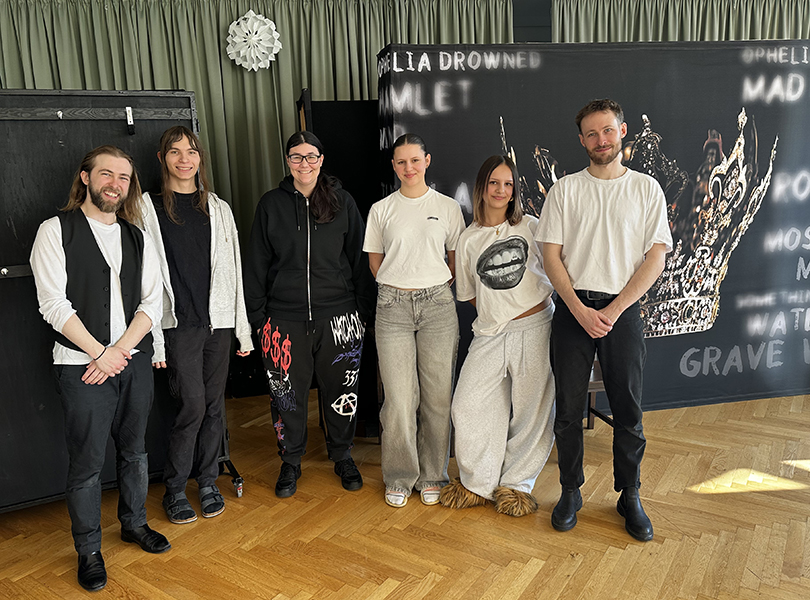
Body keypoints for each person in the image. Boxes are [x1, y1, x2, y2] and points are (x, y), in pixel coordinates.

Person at [30, 146, 170, 592]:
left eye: (124, 177)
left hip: (131, 361)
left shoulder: (137, 236)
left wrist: (120, 352)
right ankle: (89, 549)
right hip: (80, 366)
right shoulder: (55, 231)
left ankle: (133, 523)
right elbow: (52, 304)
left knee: (135, 451)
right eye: (106, 174)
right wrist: (98, 353)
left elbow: (153, 302)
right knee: (88, 464)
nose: (115, 183)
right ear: (86, 178)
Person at [536, 99, 673, 541]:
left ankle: (629, 494)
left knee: (629, 410)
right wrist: (578, 309)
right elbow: (550, 255)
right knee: (568, 411)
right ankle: (570, 491)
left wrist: (612, 311)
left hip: (623, 311)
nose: (601, 140)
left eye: (607, 131)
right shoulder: (565, 190)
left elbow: (656, 257)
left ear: (622, 131)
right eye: (592, 134)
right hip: (573, 313)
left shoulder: (646, 189)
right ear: (582, 140)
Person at [244, 131, 375, 498]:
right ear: (287, 161)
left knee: (341, 390)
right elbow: (255, 263)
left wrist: (362, 311)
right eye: (296, 157)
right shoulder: (271, 204)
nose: (305, 163)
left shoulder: (342, 202)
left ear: (322, 159)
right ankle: (291, 460)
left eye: (311, 156)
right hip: (282, 318)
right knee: (287, 395)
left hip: (339, 316)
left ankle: (341, 454)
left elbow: (360, 260)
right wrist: (259, 319)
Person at [139, 126, 253, 525]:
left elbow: (234, 272)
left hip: (217, 325)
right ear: (162, 158)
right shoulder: (145, 208)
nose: (184, 159)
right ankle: (174, 490)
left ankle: (207, 482)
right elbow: (141, 280)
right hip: (178, 325)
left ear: (200, 158)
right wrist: (153, 342)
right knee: (190, 406)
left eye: (191, 151)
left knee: (213, 408)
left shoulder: (218, 207)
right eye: (175, 152)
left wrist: (242, 329)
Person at [440, 155, 555, 517]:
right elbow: (471, 294)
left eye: (508, 184)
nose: (501, 190)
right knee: (467, 404)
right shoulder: (468, 239)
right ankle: (478, 483)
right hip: (490, 332)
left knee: (531, 410)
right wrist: (498, 309)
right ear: (482, 187)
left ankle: (516, 485)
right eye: (494, 183)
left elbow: (555, 267)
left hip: (535, 326)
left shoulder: (532, 227)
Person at [364, 133, 465, 508]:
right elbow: (375, 261)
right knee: (399, 400)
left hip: (438, 304)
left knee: (438, 398)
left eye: (415, 160)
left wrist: (431, 285)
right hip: (392, 307)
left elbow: (454, 258)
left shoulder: (448, 207)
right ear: (394, 166)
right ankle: (400, 475)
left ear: (427, 161)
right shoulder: (381, 209)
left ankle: (434, 474)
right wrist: (399, 286)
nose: (409, 168)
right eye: (401, 162)